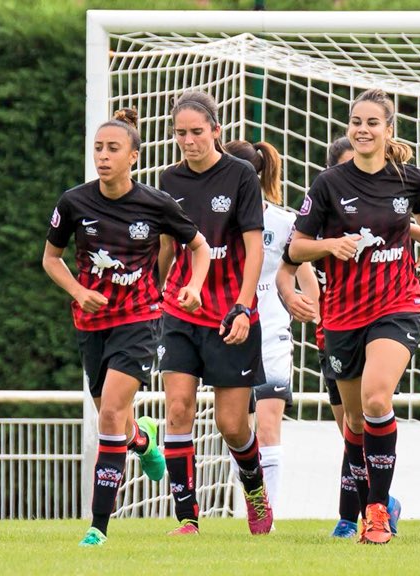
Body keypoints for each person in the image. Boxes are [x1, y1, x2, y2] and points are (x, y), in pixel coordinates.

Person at [43, 109, 209, 546]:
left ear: (133, 156)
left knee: (111, 414)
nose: (102, 156)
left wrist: (193, 285)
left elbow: (200, 247)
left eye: (112, 149)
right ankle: (143, 440)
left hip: (140, 319)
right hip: (91, 322)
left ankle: (97, 527)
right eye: (98, 148)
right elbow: (51, 259)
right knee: (113, 418)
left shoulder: (156, 204)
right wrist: (78, 291)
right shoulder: (73, 202)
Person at [286, 88, 420, 544]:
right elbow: (296, 247)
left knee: (377, 400)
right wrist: (329, 245)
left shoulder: (408, 178)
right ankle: (381, 502)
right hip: (342, 315)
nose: (362, 129)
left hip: (398, 305)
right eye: (356, 121)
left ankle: (375, 513)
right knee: (355, 423)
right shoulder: (328, 184)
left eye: (372, 122)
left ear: (388, 129)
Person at [157, 90, 272, 536]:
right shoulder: (169, 180)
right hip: (181, 311)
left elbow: (254, 249)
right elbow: (167, 248)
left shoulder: (241, 175)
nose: (188, 141)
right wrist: (155, 295)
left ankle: (255, 491)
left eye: (196, 132)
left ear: (216, 131)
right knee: (177, 409)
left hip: (230, 315)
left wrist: (243, 307)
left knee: (231, 425)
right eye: (180, 133)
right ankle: (187, 518)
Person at [223, 139, 317, 515]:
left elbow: (304, 277)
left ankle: (267, 515)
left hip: (272, 330)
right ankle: (254, 502)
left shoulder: (283, 223)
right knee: (236, 429)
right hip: (230, 332)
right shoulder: (216, 223)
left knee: (268, 424)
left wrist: (312, 308)